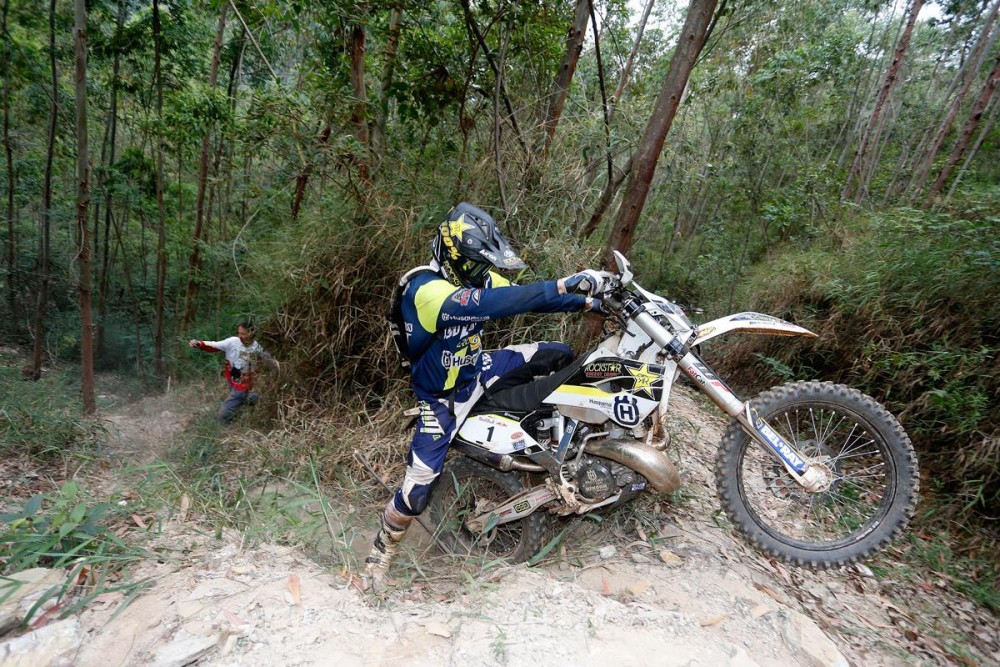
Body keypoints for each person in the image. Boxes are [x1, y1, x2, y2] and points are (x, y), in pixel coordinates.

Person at [362, 202, 605, 591]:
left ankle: (550, 440)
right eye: (474, 266)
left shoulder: (473, 280)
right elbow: (499, 304)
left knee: (558, 353)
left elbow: (527, 295)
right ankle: (379, 556)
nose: (481, 275)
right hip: (442, 398)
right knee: (419, 483)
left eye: (482, 267)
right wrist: (561, 285)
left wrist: (588, 300)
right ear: (452, 254)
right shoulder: (427, 290)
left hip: (480, 367)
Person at [188, 322, 278, 424]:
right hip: (232, 379)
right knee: (246, 398)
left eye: (243, 334)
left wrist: (279, 367)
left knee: (224, 413)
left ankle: (222, 430)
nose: (240, 336)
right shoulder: (232, 342)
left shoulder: (257, 348)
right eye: (239, 333)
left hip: (244, 384)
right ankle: (258, 400)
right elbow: (214, 345)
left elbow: (271, 362)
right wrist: (199, 344)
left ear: (251, 333)